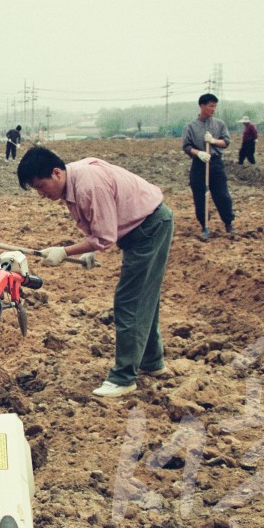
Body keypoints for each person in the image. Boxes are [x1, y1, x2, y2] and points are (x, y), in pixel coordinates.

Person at [17, 147, 173, 399]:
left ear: (56, 173)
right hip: (142, 225)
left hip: (149, 228)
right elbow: (100, 226)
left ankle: (124, 377)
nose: (41, 194)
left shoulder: (88, 186)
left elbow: (105, 237)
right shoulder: (74, 177)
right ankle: (152, 362)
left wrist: (66, 251)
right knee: (145, 296)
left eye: (40, 186)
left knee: (129, 300)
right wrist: (90, 247)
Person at [182, 93, 234, 241]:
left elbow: (226, 142)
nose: (213, 109)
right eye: (211, 106)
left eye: (215, 106)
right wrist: (198, 153)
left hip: (216, 163)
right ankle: (204, 225)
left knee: (222, 195)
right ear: (202, 106)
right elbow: (186, 146)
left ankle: (228, 223)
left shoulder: (219, 124)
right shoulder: (190, 126)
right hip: (199, 164)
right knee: (200, 196)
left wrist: (213, 141)